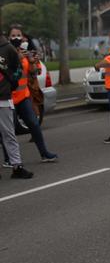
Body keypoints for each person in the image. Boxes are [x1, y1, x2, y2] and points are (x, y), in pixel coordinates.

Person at [7, 25, 58, 162]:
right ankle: (8, 159)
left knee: (34, 124)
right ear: (8, 38)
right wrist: (16, 57)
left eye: (18, 35)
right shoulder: (6, 52)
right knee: (7, 131)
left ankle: (44, 153)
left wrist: (32, 62)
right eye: (13, 36)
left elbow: (33, 73)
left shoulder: (24, 53)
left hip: (23, 96)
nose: (16, 38)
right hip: (8, 99)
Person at [0, 32, 33, 178]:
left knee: (8, 134)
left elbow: (18, 69)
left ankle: (17, 166)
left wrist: (10, 84)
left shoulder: (7, 48)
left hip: (3, 98)